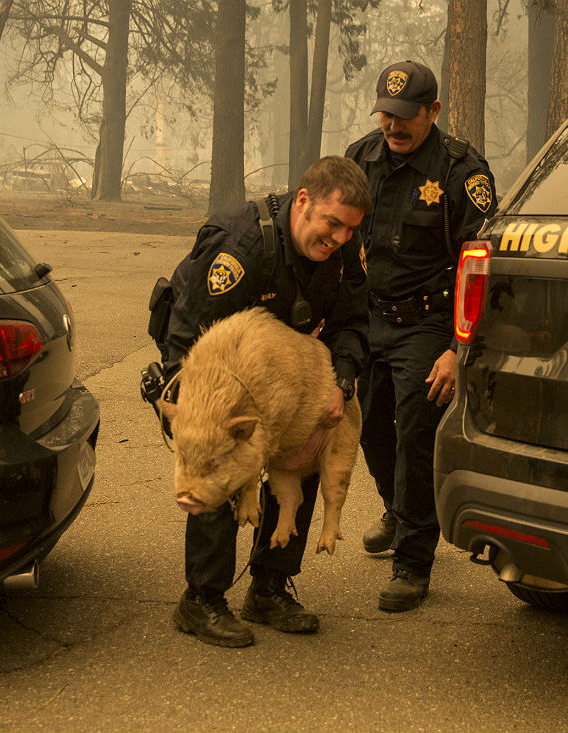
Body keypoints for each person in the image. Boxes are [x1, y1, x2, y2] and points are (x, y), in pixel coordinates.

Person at [162, 156, 372, 647]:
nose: (340, 238)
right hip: (214, 364)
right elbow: (187, 322)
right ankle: (202, 600)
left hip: (286, 371)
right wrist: (190, 405)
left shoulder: (345, 250)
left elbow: (352, 324)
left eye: (350, 229)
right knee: (221, 466)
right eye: (332, 224)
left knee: (310, 440)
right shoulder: (242, 244)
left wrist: (341, 382)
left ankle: (269, 588)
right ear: (303, 202)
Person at [344, 60, 497, 612]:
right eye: (385, 115)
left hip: (429, 324)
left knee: (413, 433)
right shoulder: (361, 158)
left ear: (433, 111)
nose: (393, 126)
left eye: (405, 116)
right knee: (368, 427)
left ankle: (413, 560)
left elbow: (477, 267)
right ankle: (398, 508)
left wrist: (458, 352)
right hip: (369, 317)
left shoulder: (461, 172)